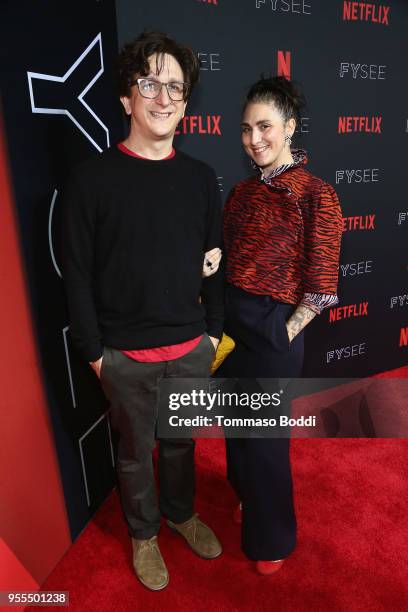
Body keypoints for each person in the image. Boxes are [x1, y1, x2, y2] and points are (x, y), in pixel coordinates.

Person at [61, 31, 224, 591]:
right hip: (123, 356)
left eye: (175, 87)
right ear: (127, 97)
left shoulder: (202, 180)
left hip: (189, 350)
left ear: (185, 103)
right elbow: (76, 276)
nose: (163, 97)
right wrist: (95, 355)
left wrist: (212, 336)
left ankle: (180, 515)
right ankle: (145, 534)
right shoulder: (90, 180)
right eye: (149, 83)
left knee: (181, 443)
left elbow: (214, 264)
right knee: (135, 455)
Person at [217, 76, 342, 575]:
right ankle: (245, 494)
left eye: (265, 126)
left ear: (290, 127)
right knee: (238, 426)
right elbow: (226, 258)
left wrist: (282, 334)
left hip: (274, 327)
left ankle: (272, 540)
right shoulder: (242, 193)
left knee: (266, 441)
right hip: (231, 320)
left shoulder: (317, 194)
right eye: (246, 129)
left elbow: (321, 284)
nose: (254, 139)